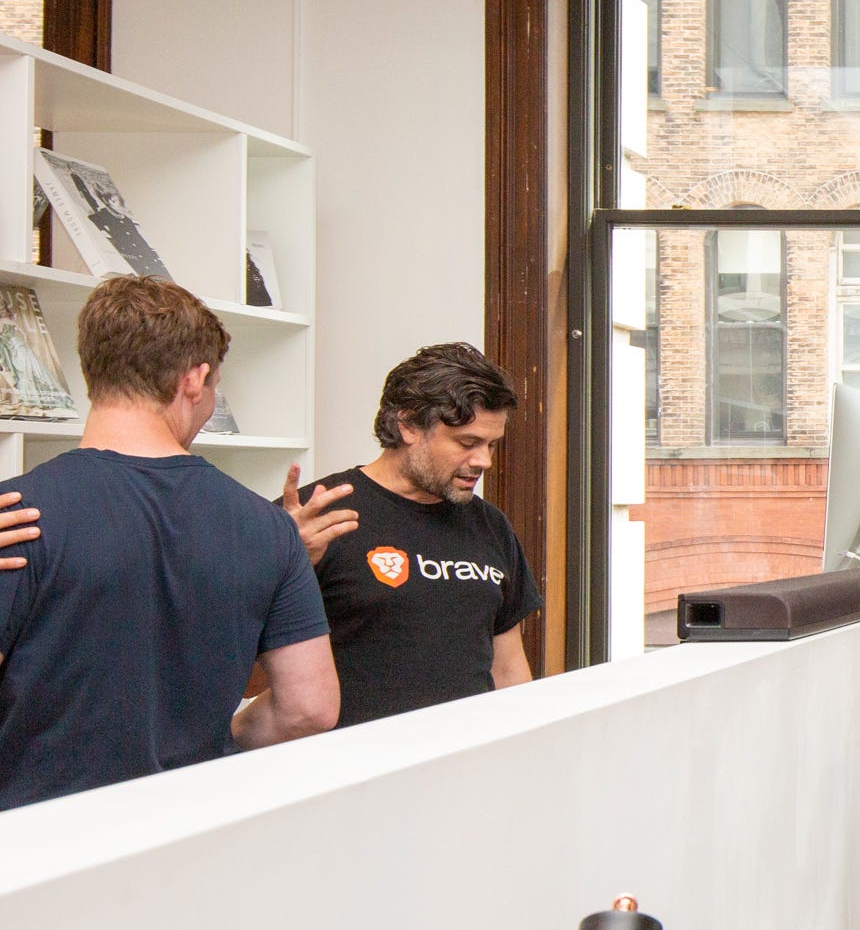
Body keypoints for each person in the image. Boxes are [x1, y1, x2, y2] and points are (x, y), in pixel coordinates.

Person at [0, 276, 337, 808]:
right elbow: (310, 709)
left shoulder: (16, 516)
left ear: (92, 368)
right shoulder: (268, 526)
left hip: (39, 846)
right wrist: (220, 735)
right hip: (189, 829)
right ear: (196, 379)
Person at [276, 343, 540, 728]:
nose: (484, 461)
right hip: (351, 772)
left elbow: (509, 668)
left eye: (491, 445)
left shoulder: (491, 526)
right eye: (467, 443)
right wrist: (284, 563)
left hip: (468, 766)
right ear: (409, 425)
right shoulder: (313, 518)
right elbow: (235, 663)